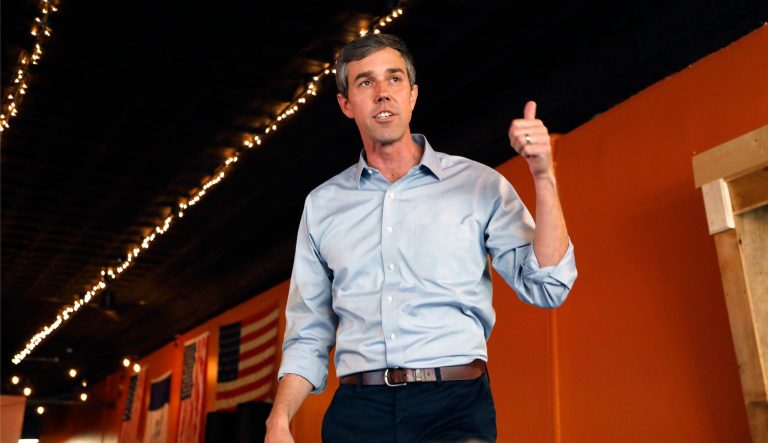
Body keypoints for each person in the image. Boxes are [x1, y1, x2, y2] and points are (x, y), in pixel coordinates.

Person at [265, 34, 577, 443]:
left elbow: (549, 286)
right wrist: (279, 420)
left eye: (394, 80)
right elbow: (309, 331)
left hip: (454, 406)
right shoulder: (322, 206)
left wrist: (544, 177)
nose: (382, 94)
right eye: (365, 83)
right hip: (358, 412)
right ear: (346, 105)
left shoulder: (478, 184)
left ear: (412, 96)